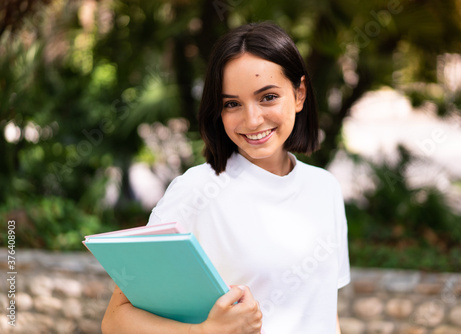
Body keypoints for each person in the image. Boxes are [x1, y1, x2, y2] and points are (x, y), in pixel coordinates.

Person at [102, 21, 350, 334]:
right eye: (232, 103)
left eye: (268, 97)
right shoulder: (195, 190)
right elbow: (116, 320)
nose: (252, 119)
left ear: (299, 94)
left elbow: (325, 313)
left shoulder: (324, 187)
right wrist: (205, 332)